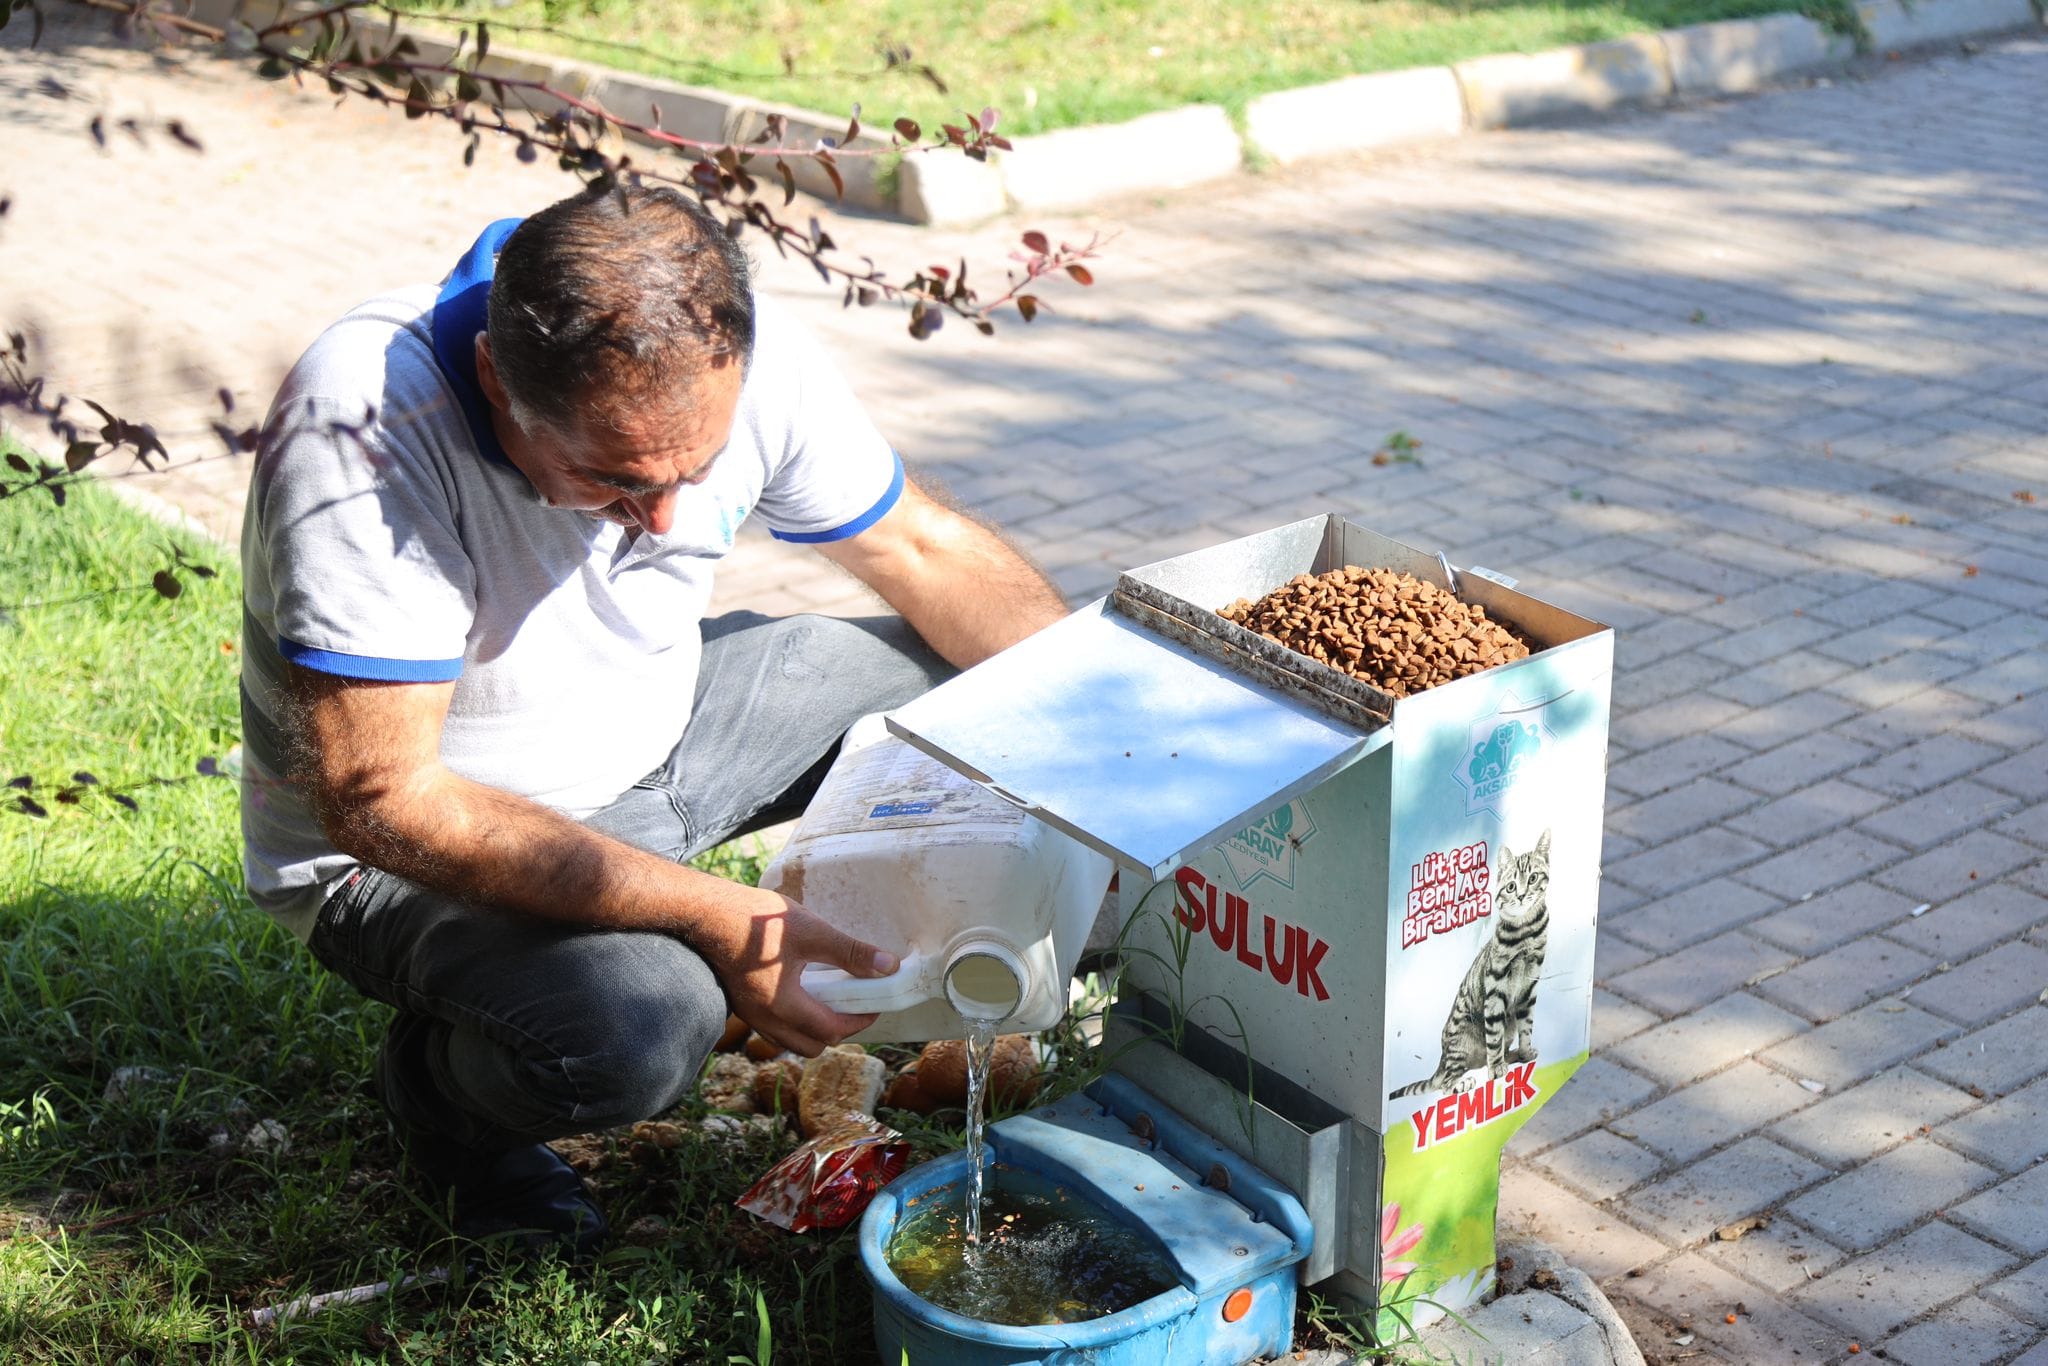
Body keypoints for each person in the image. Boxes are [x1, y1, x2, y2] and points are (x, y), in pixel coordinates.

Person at [237, 181, 1068, 1256]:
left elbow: (922, 550)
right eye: (612, 480)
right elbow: (381, 799)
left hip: (663, 734)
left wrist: (1107, 733)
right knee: (638, 1028)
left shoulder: (726, 348)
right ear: (497, 379)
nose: (667, 517)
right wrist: (720, 920)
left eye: (699, 469)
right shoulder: (363, 426)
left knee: (983, 684)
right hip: (411, 850)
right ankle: (443, 1107)